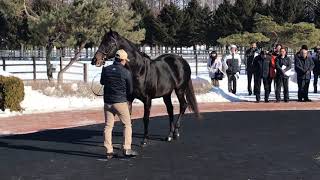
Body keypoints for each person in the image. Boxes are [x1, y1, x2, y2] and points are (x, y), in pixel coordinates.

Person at [100, 49, 138, 159]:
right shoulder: (126, 72)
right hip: (120, 102)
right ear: (122, 60)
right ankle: (126, 148)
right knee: (127, 125)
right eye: (125, 60)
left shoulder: (106, 69)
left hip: (107, 103)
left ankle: (109, 150)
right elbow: (130, 90)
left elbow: (102, 82)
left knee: (108, 126)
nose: (125, 62)